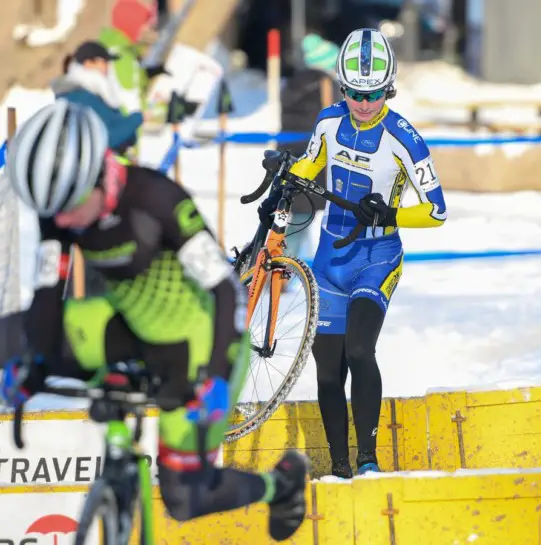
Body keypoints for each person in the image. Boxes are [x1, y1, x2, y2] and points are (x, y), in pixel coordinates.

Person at [0, 100, 308, 541]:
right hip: (128, 325)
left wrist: (216, 379)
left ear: (96, 173)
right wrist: (33, 363)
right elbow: (49, 296)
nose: (62, 222)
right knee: (9, 335)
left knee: (185, 499)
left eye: (69, 208)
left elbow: (228, 293)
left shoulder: (157, 199)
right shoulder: (61, 205)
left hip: (200, 340)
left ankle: (281, 485)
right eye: (53, 213)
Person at [258, 28, 447, 478]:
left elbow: (437, 211)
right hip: (330, 258)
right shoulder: (328, 121)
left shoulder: (404, 137)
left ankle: (367, 460)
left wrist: (392, 215)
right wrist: (286, 172)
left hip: (376, 256)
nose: (364, 103)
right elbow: (311, 163)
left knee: (360, 350)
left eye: (375, 93)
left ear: (390, 87)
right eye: (355, 93)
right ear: (343, 88)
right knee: (327, 370)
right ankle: (340, 465)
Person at [280, 31, 342, 261]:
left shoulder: (295, 85)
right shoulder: (324, 85)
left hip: (294, 156)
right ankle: (286, 267)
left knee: (299, 215)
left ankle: (289, 264)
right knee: (313, 217)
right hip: (316, 160)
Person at [51, 40, 144, 156]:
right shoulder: (79, 98)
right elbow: (106, 140)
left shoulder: (95, 93)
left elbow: (120, 130)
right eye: (104, 62)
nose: (108, 67)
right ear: (88, 63)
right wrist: (138, 118)